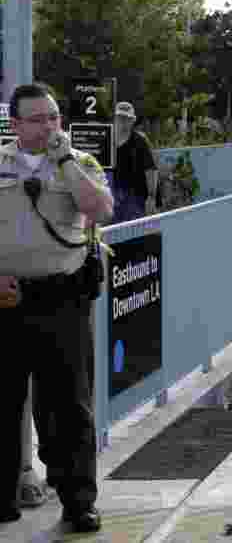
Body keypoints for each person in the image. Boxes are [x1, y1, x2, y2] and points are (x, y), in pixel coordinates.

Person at [0, 83, 114, 532]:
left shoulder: (79, 163)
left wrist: (65, 162)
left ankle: (77, 499)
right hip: (5, 302)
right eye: (37, 119)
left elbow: (101, 208)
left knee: (67, 407)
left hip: (62, 300)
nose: (49, 126)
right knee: (2, 405)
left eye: (53, 117)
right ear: (15, 124)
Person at [111, 102, 159, 223]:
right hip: (111, 196)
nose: (123, 121)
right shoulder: (106, 138)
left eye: (127, 118)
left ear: (133, 121)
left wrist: (151, 196)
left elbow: (151, 169)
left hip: (135, 198)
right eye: (120, 117)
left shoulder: (140, 141)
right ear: (114, 118)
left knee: (133, 234)